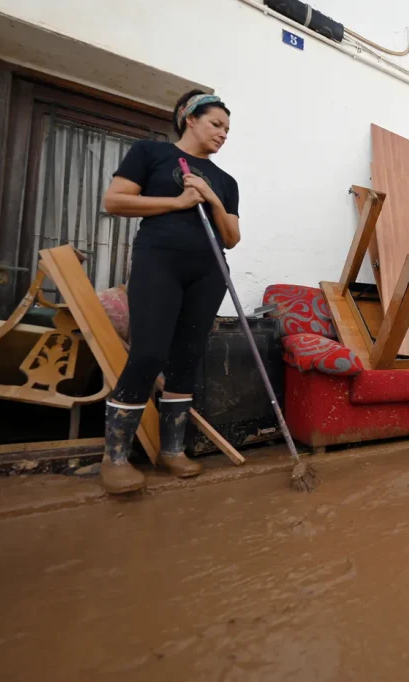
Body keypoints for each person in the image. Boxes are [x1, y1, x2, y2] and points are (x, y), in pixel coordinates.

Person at [99, 90, 241, 494]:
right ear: (188, 118)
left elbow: (231, 238)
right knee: (148, 352)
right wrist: (179, 202)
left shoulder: (226, 181)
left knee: (188, 355)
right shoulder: (151, 154)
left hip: (209, 270)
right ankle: (115, 458)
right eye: (216, 124)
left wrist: (212, 198)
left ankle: (173, 450)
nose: (223, 134)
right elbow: (115, 201)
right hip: (159, 261)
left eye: (227, 129)